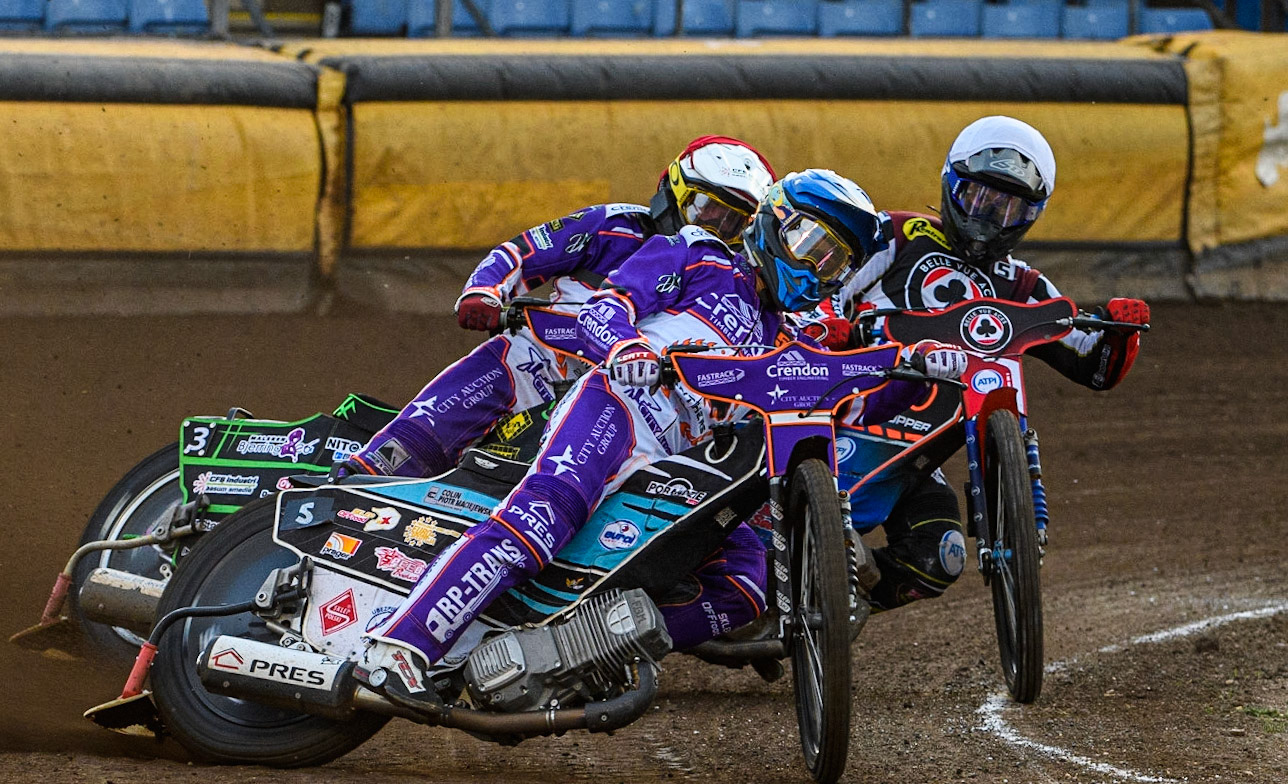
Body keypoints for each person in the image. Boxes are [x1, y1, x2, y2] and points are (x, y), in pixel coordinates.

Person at [355, 169, 893, 713]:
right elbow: (605, 309)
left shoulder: (786, 334)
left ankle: (574, 652)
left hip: (680, 465)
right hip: (618, 406)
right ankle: (399, 645)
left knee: (748, 583)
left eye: (834, 262)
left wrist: (914, 363)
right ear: (776, 221)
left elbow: (837, 386)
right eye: (810, 245)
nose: (815, 269)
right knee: (539, 522)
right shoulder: (698, 252)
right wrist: (626, 348)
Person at [809, 115, 1151, 613]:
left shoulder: (1023, 282)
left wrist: (1118, 332)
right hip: (844, 415)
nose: (987, 217)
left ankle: (842, 608)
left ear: (1030, 215)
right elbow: (818, 286)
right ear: (951, 183)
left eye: (1008, 207)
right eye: (978, 197)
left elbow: (1092, 363)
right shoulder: (895, 234)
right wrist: (832, 326)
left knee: (943, 557)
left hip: (919, 456)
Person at [340, 136, 776, 479]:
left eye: (732, 221)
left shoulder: (731, 280)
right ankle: (382, 462)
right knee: (510, 358)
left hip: (643, 400)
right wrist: (485, 292)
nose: (714, 227)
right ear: (673, 190)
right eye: (705, 209)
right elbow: (523, 252)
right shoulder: (614, 224)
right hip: (550, 363)